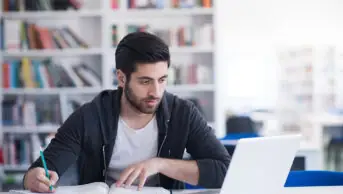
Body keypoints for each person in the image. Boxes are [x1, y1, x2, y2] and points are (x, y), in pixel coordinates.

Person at [23, 31, 231, 193]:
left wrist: (159, 164)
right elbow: (41, 169)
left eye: (162, 80)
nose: (156, 92)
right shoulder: (89, 116)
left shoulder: (182, 113)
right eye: (145, 81)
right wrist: (36, 177)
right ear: (121, 78)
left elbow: (224, 170)